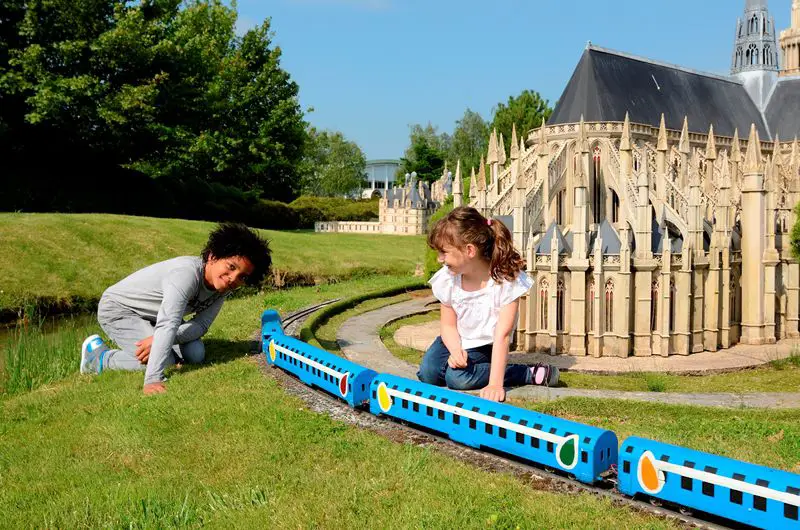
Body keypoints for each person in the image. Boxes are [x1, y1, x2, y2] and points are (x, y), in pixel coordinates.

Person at [80, 222, 272, 395]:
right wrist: (153, 379)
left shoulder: (222, 288)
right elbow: (168, 323)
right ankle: (99, 359)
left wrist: (160, 339)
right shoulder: (186, 274)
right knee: (168, 361)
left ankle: (162, 349)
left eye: (242, 277)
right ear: (213, 256)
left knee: (195, 355)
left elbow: (201, 325)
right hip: (118, 310)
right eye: (231, 267)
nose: (233, 278)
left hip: (157, 316)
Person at [417, 206, 559, 402]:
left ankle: (524, 373)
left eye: (444, 252)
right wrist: (456, 350)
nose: (440, 259)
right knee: (428, 373)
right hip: (453, 338)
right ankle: (465, 366)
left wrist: (495, 384)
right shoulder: (448, 279)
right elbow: (448, 325)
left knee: (457, 378)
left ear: (469, 250)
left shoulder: (505, 282)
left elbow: (502, 335)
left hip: (484, 345)